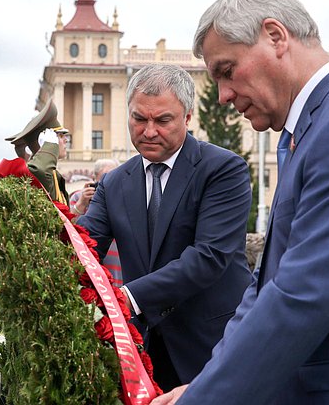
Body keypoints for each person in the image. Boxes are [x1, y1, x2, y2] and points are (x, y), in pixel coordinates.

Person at [152, 0, 329, 404]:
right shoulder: (306, 130)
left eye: (226, 70)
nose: (222, 96)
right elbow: (264, 289)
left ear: (276, 37)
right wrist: (202, 386)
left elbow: (302, 294)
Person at [77, 63, 253, 392]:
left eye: (163, 120)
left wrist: (127, 297)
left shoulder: (223, 169)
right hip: (145, 353)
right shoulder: (114, 182)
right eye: (139, 118)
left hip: (213, 347)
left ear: (187, 117)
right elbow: (84, 247)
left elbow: (209, 256)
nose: (148, 131)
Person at [70, 158, 123, 285]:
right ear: (94, 179)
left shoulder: (123, 196)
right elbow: (70, 229)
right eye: (104, 178)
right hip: (91, 260)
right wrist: (81, 204)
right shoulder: (79, 197)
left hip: (118, 264)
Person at [6, 99, 70, 204]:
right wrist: (48, 147)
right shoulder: (37, 173)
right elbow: (39, 171)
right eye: (60, 135)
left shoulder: (53, 174)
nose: (65, 140)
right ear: (45, 141)